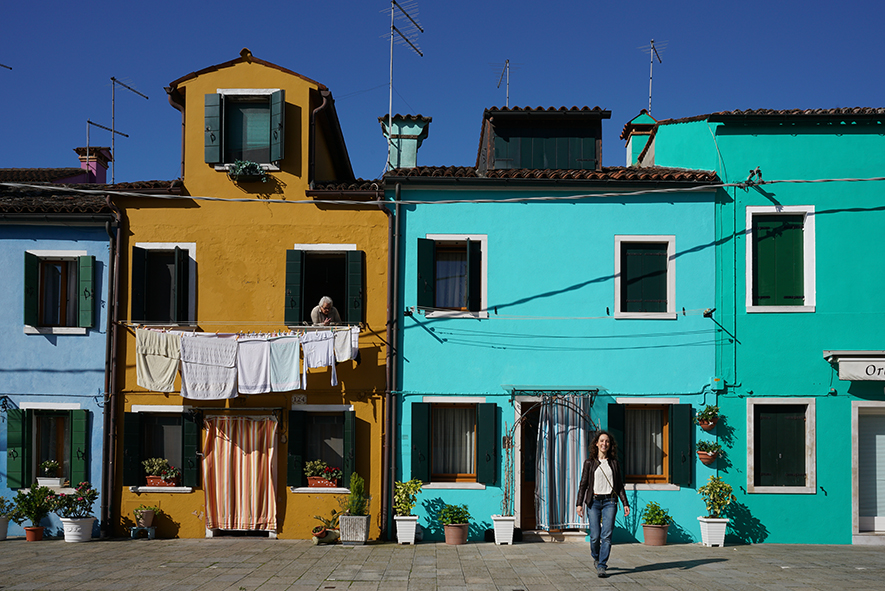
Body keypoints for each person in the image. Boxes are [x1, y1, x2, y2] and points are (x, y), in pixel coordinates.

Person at [576, 430, 630, 578]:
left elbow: (619, 486)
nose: (604, 443)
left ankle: (602, 565)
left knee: (606, 535)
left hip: (610, 502)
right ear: (596, 443)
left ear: (610, 445)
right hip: (593, 502)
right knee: (594, 536)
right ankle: (596, 557)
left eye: (607, 441)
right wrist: (579, 504)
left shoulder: (614, 463)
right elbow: (583, 485)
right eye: (601, 441)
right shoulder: (589, 463)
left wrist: (625, 503)